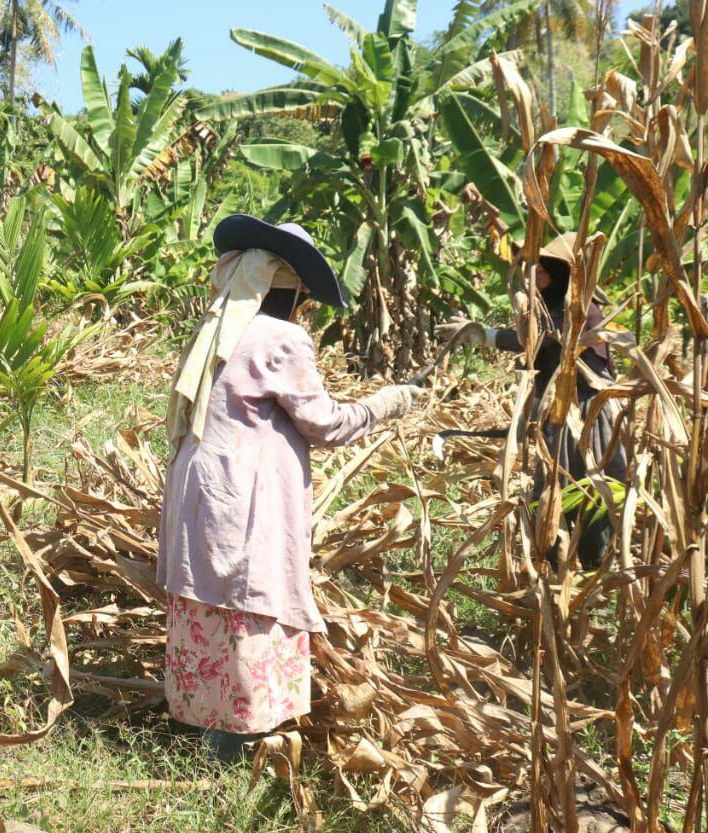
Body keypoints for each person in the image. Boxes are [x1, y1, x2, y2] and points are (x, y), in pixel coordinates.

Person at [159, 215, 422, 761]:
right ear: (290, 290)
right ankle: (234, 745)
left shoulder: (218, 330)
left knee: (211, 602)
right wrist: (386, 403)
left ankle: (207, 734)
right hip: (243, 494)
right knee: (248, 599)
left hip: (198, 486)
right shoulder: (282, 338)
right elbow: (325, 424)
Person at [437, 232, 627, 569]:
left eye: (540, 272)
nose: (533, 278)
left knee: (589, 491)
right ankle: (553, 564)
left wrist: (482, 334)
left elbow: (535, 340)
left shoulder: (580, 311)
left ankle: (592, 569)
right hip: (561, 411)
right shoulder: (555, 306)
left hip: (585, 415)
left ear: (561, 275)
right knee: (553, 490)